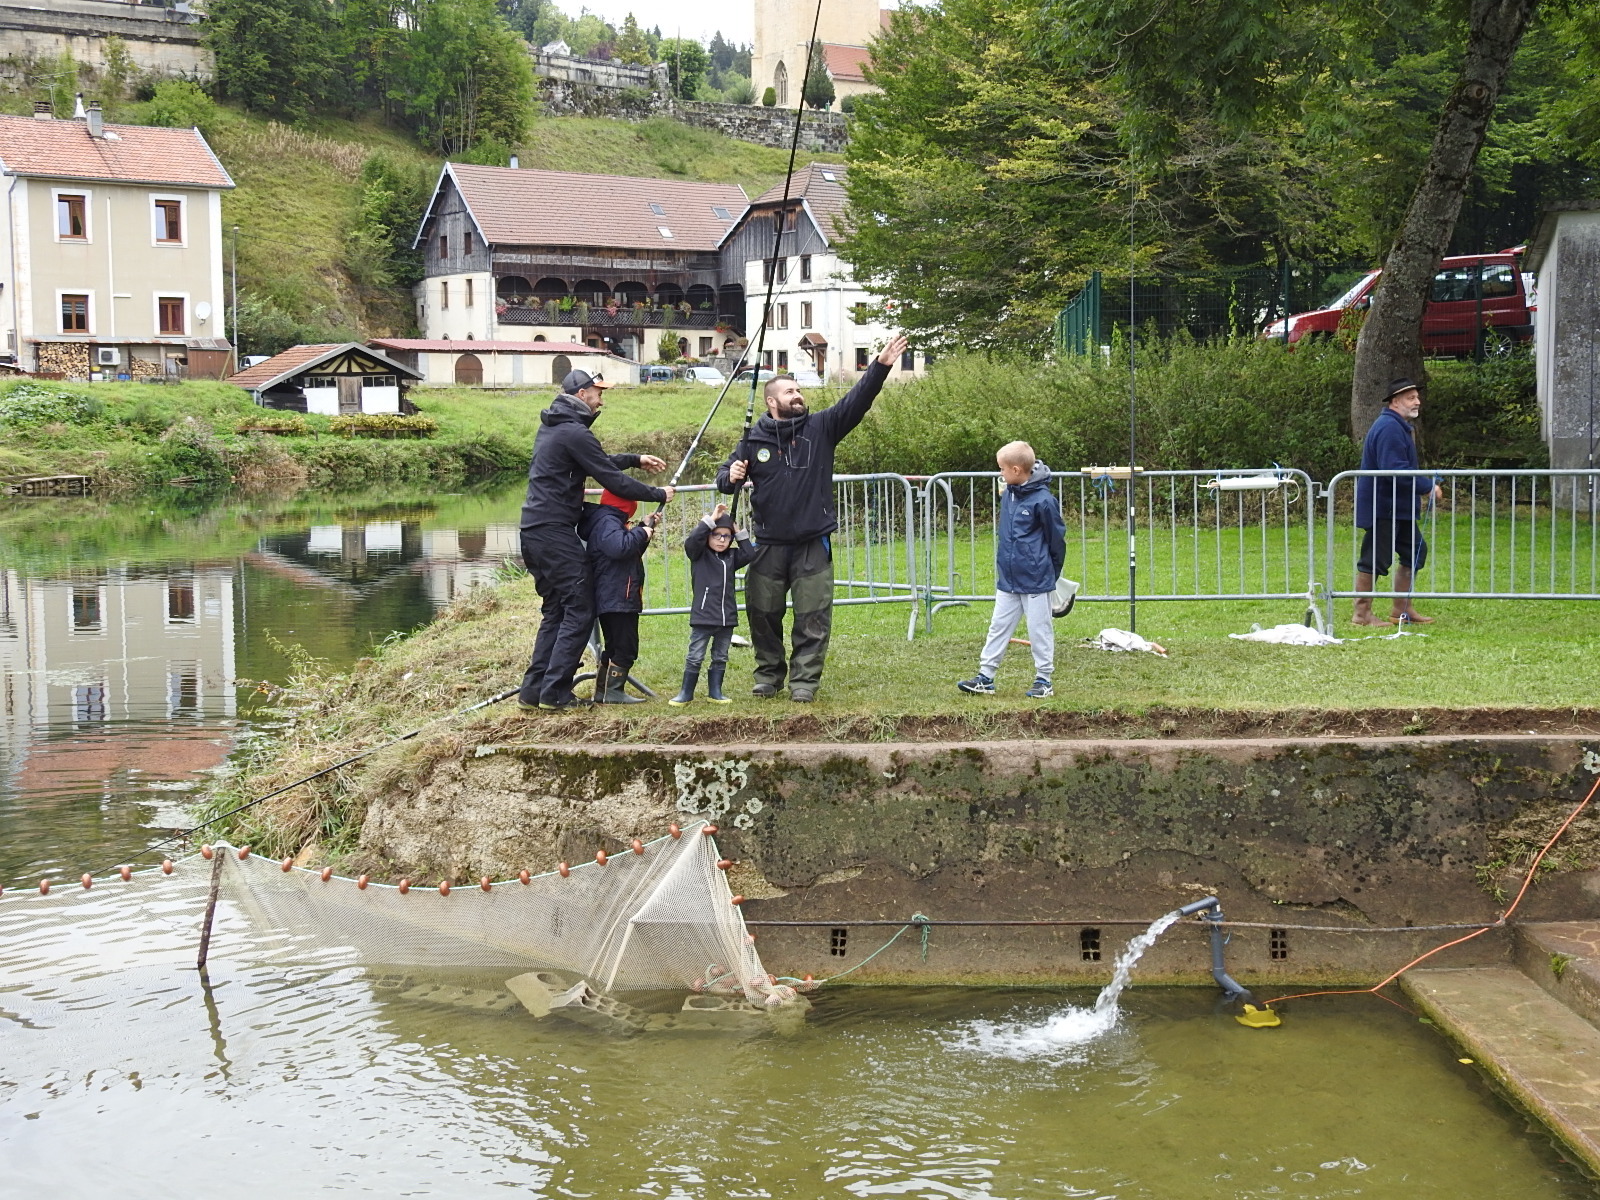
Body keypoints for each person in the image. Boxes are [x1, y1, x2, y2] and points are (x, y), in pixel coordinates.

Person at [715, 332, 909, 702]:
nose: (798, 395)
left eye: (799, 390)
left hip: (812, 543)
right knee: (762, 614)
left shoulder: (822, 428)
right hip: (768, 544)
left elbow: (857, 400)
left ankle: (804, 681)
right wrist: (732, 475)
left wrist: (880, 366)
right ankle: (768, 676)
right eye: (789, 391)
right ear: (772, 401)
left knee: (813, 616)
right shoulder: (752, 441)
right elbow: (725, 480)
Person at [519, 369, 674, 710]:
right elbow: (610, 478)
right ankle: (555, 694)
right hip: (553, 532)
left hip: (533, 532)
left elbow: (597, 462)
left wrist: (634, 460)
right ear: (583, 393)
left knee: (556, 609)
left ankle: (533, 693)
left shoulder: (554, 427)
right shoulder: (573, 431)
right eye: (599, 393)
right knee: (580, 607)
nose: (601, 400)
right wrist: (657, 493)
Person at [957, 441, 1066, 698]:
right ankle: (985, 677)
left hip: (1036, 579)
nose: (1000, 473)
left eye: (1002, 469)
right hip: (1008, 578)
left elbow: (1057, 540)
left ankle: (1044, 680)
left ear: (1016, 470)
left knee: (1039, 629)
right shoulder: (1009, 494)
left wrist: (1050, 572)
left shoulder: (1044, 501)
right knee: (998, 626)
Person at [1353, 378, 1442, 626]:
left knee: (1415, 552)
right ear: (1395, 401)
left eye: (1417, 397)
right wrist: (1427, 487)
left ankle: (1402, 610)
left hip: (1399, 508)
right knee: (1375, 559)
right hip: (1384, 507)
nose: (1417, 402)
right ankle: (1361, 614)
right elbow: (1395, 470)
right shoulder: (1389, 428)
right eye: (1410, 398)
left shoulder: (1397, 426)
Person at [577, 489, 661, 704]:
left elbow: (628, 553)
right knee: (625, 647)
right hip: (617, 597)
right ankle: (613, 692)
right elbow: (620, 548)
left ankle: (604, 691)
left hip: (615, 596)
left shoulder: (608, 521)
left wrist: (645, 527)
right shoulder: (608, 522)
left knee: (615, 645)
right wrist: (641, 532)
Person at [670, 503, 758, 706]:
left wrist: (738, 531)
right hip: (703, 617)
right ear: (708, 535)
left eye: (726, 536)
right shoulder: (699, 554)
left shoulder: (732, 557)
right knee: (695, 656)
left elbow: (749, 554)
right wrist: (711, 519)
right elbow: (692, 541)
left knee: (720, 657)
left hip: (727, 619)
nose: (721, 540)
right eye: (716, 535)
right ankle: (686, 693)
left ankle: (715, 692)